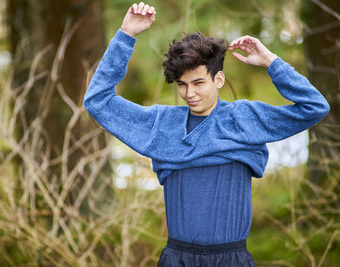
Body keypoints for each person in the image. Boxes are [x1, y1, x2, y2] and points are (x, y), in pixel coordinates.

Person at [84, 2, 330, 266]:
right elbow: (98, 101)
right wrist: (126, 35)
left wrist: (271, 62)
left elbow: (315, 107)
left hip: (231, 259)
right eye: (182, 85)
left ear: (219, 80)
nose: (190, 94)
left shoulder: (244, 119)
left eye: (199, 83)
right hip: (177, 259)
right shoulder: (161, 125)